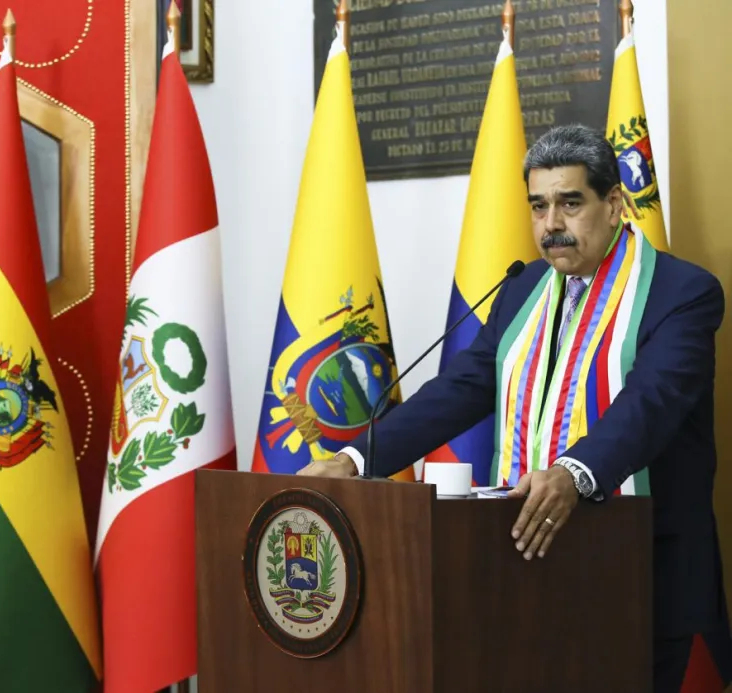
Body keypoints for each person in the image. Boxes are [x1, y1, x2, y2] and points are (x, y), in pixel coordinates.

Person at [297, 123, 732, 692]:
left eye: (571, 203)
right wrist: (357, 460)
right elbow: (460, 389)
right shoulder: (524, 290)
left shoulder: (682, 293)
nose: (551, 224)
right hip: (532, 573)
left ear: (615, 204)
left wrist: (573, 474)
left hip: (644, 580)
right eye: (539, 206)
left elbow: (651, 402)